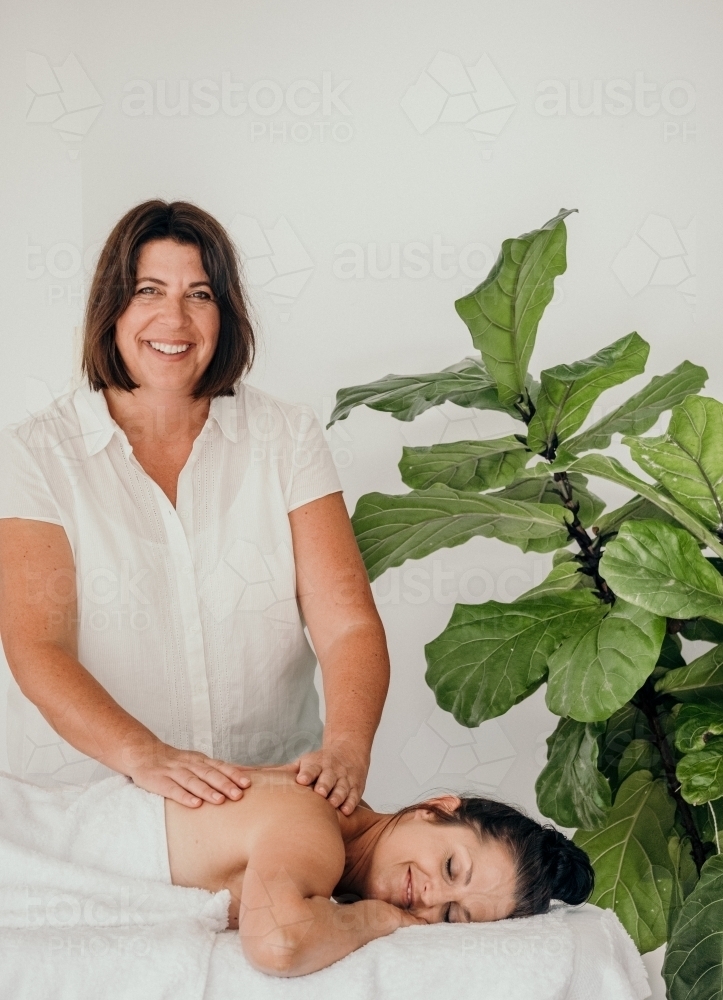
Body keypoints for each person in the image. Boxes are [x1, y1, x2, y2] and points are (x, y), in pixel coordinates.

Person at [0, 200, 389, 815]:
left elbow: (347, 625)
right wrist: (144, 755)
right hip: (96, 809)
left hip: (272, 798)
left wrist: (346, 751)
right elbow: (37, 647)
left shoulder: (285, 437)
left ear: (225, 313)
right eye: (148, 290)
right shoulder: (36, 454)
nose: (173, 318)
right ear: (111, 308)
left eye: (200, 294)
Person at [1, 766, 595, 977]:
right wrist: (377, 920)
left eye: (453, 915)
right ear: (436, 808)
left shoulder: (328, 856)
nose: (431, 897)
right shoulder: (314, 822)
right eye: (450, 866)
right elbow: (279, 944)